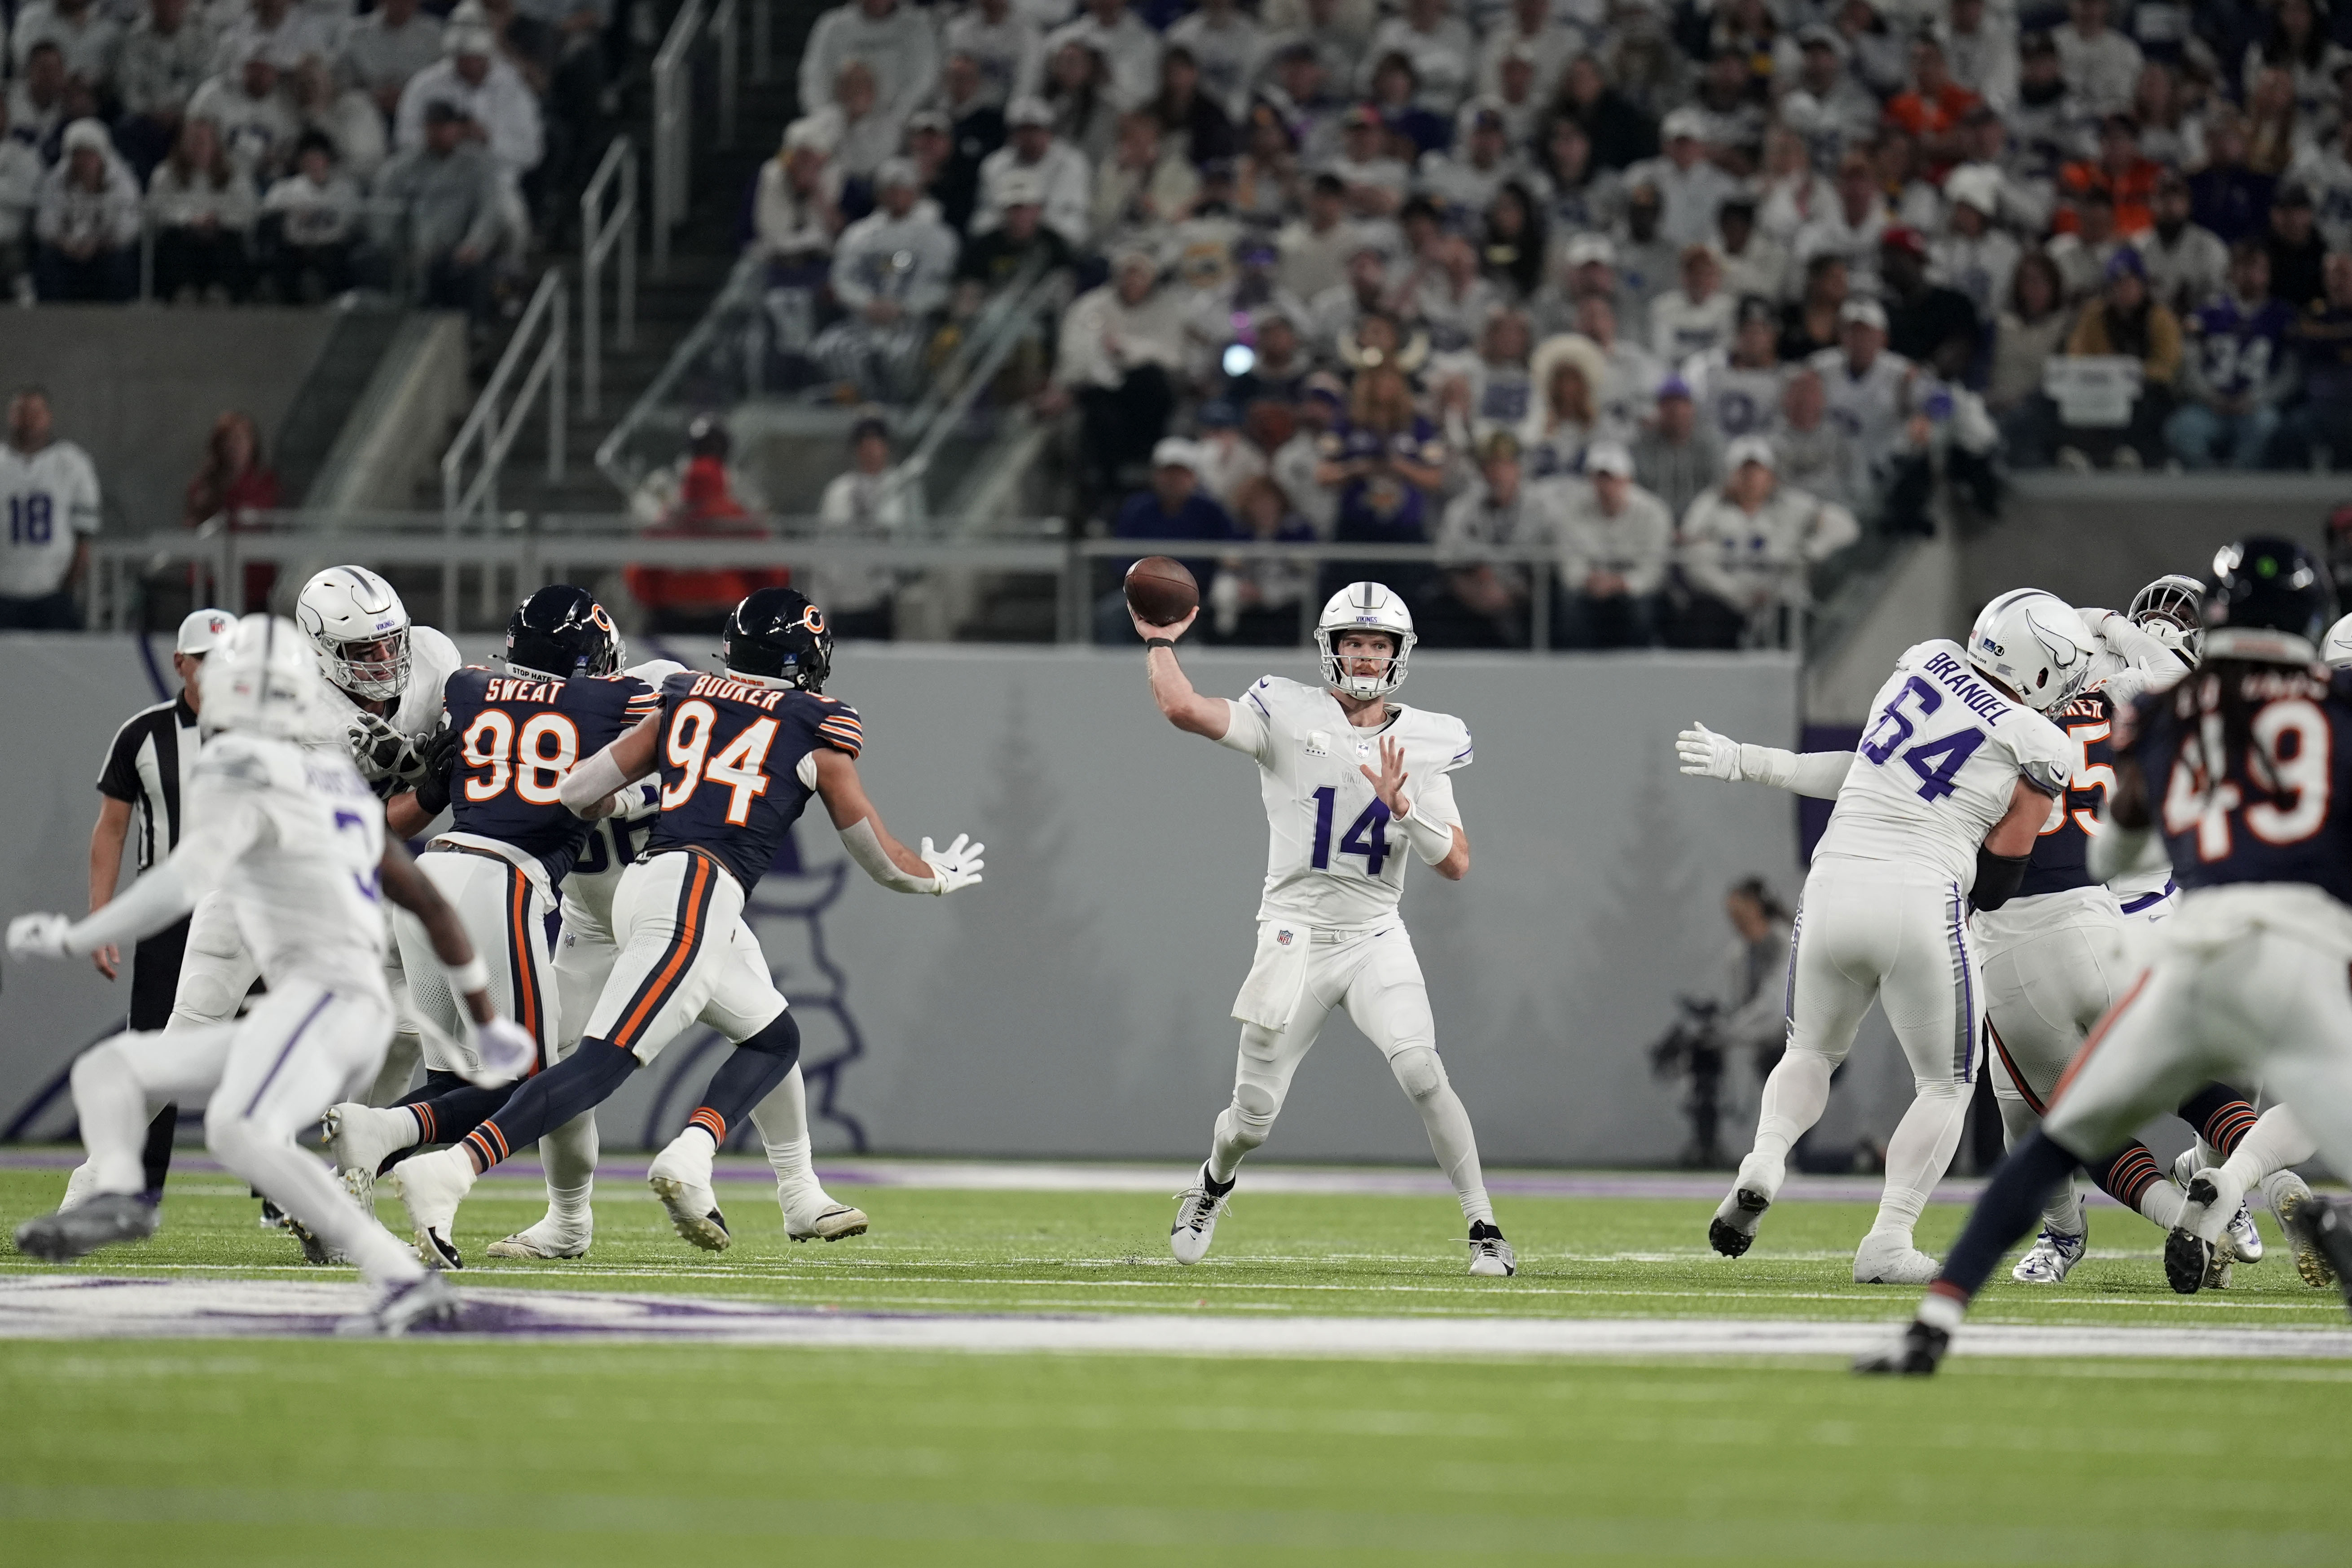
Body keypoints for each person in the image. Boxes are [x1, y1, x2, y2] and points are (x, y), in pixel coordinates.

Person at [1858, 540, 2352, 1373]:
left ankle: (1930, 1329)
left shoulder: (2166, 706)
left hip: (2187, 953)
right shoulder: (2334, 704)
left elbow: (2113, 848)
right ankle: (2238, 1192)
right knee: (2285, 1107)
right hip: (2301, 949)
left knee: (2053, 1139)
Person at [390, 589, 984, 1258]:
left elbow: (576, 792)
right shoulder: (808, 721)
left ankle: (772, 1183)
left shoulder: (676, 696)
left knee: (772, 1034)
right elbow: (878, 858)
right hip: (688, 892)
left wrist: (633, 796)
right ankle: (457, 1172)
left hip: (640, 888)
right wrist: (932, 877)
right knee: (595, 1065)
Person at [8, 614, 537, 1337]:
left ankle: (343, 1223)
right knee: (145, 1074)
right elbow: (417, 882)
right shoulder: (326, 773)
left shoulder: (252, 759)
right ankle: (120, 1196)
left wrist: (77, 932)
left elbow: (185, 877)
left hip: (321, 980)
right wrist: (487, 1020)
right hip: (312, 953)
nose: (382, 662)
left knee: (231, 1111)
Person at [1676, 589, 2089, 1283]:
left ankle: (1765, 1160)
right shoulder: (2038, 740)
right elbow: (1995, 884)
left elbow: (1862, 771)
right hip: (1920, 897)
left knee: (1807, 1050)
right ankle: (1887, 1240)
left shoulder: (1925, 662)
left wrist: (1744, 759)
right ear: (2039, 668)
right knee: (1945, 1086)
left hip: (1831, 882)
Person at [1137, 581, 1515, 1278]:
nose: (1365, 657)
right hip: (1290, 937)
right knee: (1251, 1118)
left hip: (1373, 936)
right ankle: (1212, 1184)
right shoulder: (1284, 711)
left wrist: (1406, 807)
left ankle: (1483, 1226)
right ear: (1330, 648)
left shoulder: (1425, 740)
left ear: (1397, 654)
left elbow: (1456, 862)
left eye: (1377, 645)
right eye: (1353, 643)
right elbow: (1181, 707)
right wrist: (1159, 641)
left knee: (1421, 1070)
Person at [322, 588, 656, 1266]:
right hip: (501, 883)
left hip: (433, 875)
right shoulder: (607, 699)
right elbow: (667, 722)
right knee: (532, 1082)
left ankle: (358, 1164)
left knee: (459, 1080)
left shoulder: (470, 686)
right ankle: (380, 1129)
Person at [67, 608, 233, 1208]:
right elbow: (111, 828)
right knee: (157, 1048)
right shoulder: (144, 733)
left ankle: (283, 1199)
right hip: (170, 912)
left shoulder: (269, 731)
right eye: (207, 660)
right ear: (180, 663)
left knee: (275, 1043)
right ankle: (138, 1191)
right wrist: (101, 915)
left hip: (250, 909)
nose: (219, 673)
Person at [1671, 435, 1857, 649]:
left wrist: (1810, 552)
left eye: (1757, 471)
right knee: (1701, 617)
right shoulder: (1710, 506)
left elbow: (1845, 526)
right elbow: (1693, 555)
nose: (1750, 478)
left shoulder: (1794, 505)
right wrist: (1736, 593)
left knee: (1795, 620)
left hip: (1781, 598)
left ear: (1770, 475)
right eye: (1743, 471)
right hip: (1726, 598)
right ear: (1730, 476)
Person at [813, 158, 958, 403]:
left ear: (916, 192)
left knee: (903, 354)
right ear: (879, 194)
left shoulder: (938, 236)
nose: (897, 195)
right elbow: (842, 279)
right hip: (863, 320)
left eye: (903, 188)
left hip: (912, 322)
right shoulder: (858, 234)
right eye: (890, 189)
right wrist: (868, 304)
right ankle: (863, 408)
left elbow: (940, 286)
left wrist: (903, 308)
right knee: (831, 347)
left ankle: (902, 408)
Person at [2167, 242, 2299, 470]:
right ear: (2230, 272)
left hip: (2256, 406)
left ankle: (2242, 480)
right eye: (2243, 267)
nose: (2249, 275)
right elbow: (2188, 363)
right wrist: (2209, 395)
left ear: (2268, 273)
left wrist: (2257, 399)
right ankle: (2209, 481)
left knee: (2268, 425)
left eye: (2256, 268)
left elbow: (2291, 373)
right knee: (2180, 429)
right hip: (2211, 405)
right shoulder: (2208, 312)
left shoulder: (2283, 315)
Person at [370, 101, 502, 320]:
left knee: (470, 271)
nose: (439, 132)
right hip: (411, 250)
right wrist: (394, 247)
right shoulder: (403, 168)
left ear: (457, 128)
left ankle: (475, 330)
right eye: (433, 126)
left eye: (445, 126)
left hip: (459, 250)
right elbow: (383, 211)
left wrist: (474, 244)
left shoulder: (478, 165)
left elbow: (489, 210)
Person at [1550, 439, 1670, 650]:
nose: (1606, 487)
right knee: (1570, 604)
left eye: (1612, 479)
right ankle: (1576, 670)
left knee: (1641, 608)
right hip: (1589, 590)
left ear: (1628, 480)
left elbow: (1653, 572)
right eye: (1600, 478)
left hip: (1633, 591)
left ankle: (1638, 669)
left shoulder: (1653, 513)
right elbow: (1569, 567)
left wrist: (1620, 584)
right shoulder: (1571, 511)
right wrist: (1589, 580)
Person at [0, 386, 100, 629]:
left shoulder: (72, 462)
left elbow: (84, 538)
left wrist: (68, 585)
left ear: (48, 417)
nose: (28, 420)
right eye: (22, 412)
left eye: (36, 413)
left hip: (52, 592)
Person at [813, 416, 917, 641]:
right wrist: (820, 608)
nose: (871, 451)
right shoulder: (839, 491)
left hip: (881, 600)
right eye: (865, 445)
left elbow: (910, 546)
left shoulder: (901, 488)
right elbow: (823, 552)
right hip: (843, 601)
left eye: (877, 444)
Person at [181, 409, 281, 608]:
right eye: (229, 440)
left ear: (253, 444)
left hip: (254, 582)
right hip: (210, 581)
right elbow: (192, 525)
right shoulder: (204, 485)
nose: (235, 447)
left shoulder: (265, 483)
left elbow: (263, 521)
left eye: (241, 439)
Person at [34, 118, 140, 302]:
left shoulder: (122, 184)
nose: (84, 162)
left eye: (89, 155)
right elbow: (45, 225)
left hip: (103, 254)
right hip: (67, 253)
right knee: (47, 260)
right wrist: (66, 244)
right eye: (78, 155)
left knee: (121, 263)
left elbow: (128, 227)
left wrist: (99, 244)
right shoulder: (55, 182)